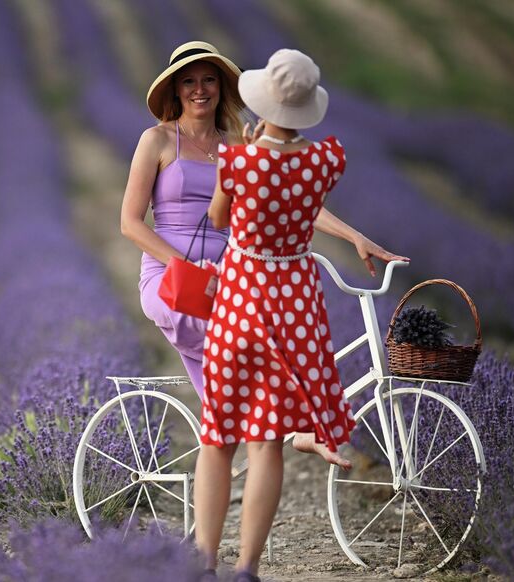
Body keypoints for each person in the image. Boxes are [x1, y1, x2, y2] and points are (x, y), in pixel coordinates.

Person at [192, 50, 408, 581]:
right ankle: (247, 567)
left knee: (218, 436)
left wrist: (242, 162)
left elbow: (219, 219)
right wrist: (354, 234)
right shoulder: (324, 160)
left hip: (242, 300)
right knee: (267, 442)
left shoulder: (237, 161)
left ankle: (202, 563)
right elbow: (305, 211)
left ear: (263, 102)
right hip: (294, 303)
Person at [121, 41, 244, 395]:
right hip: (169, 276)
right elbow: (129, 223)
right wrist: (191, 271)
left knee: (270, 335)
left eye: (209, 80)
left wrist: (353, 236)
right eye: (189, 81)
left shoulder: (236, 146)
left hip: (223, 276)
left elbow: (279, 205)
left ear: (220, 87)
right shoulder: (157, 140)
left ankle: (240, 431)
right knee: (237, 344)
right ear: (176, 89)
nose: (199, 90)